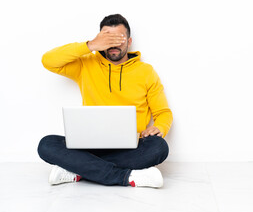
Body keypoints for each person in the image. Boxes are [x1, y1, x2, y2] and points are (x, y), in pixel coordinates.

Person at [37, 14, 172, 188]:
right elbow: (48, 61)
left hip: (132, 146)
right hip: (89, 145)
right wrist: (90, 45)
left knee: (158, 148)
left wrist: (159, 127)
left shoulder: (146, 71)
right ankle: (124, 177)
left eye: (119, 38)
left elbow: (163, 113)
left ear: (129, 42)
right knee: (47, 144)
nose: (114, 44)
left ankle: (78, 169)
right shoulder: (86, 65)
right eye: (108, 38)